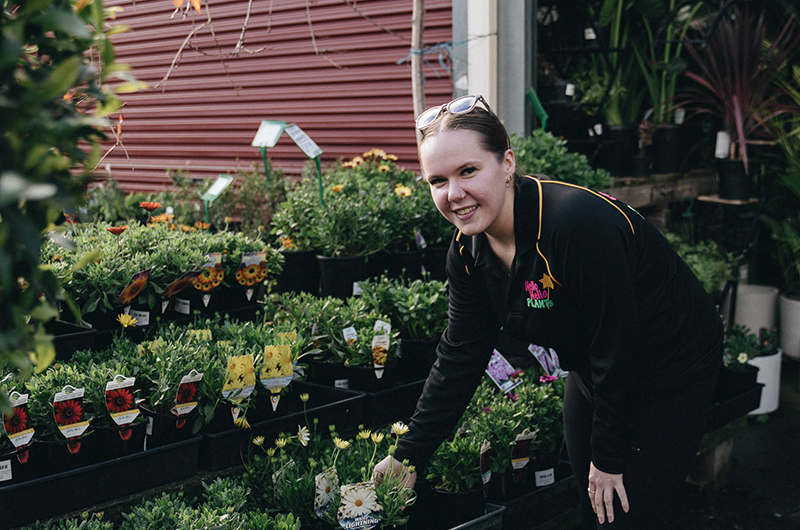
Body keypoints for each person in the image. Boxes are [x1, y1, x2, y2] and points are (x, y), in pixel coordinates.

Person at [373, 95, 723, 528]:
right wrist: (408, 456)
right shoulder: (467, 250)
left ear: (507, 164)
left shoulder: (575, 227)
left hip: (671, 367)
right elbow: (461, 353)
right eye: (437, 181)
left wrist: (609, 457)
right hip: (595, 366)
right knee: (592, 504)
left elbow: (618, 344)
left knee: (629, 510)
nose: (454, 194)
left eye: (468, 171)